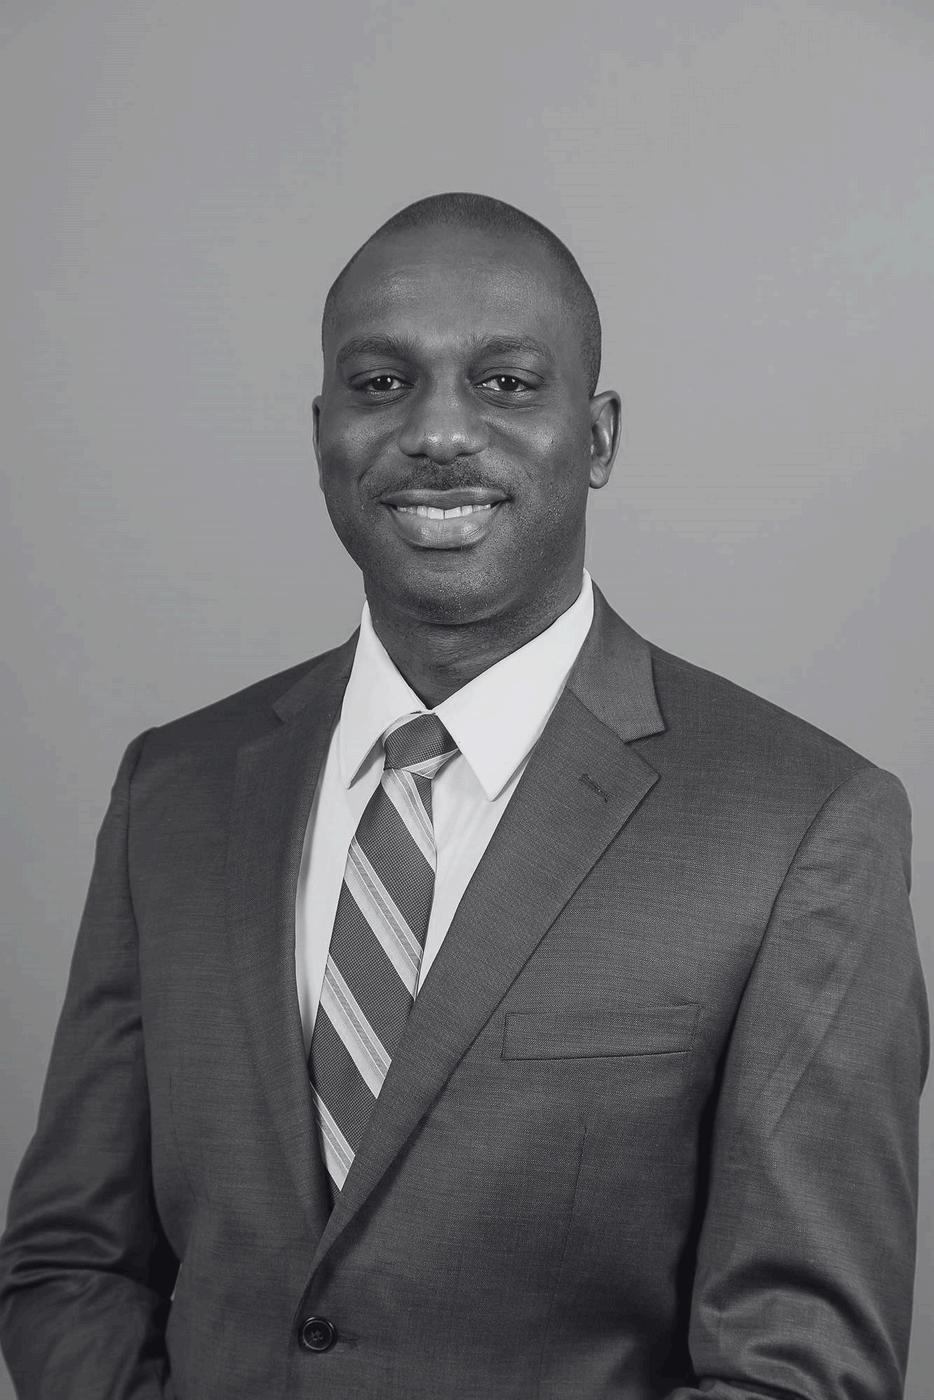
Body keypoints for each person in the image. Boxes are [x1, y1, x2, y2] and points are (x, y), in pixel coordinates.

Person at [0, 191, 927, 1400]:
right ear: (322, 432)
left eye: (505, 383)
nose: (438, 431)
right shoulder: (172, 791)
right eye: (381, 382)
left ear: (596, 437)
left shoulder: (801, 824)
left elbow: (798, 1365)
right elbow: (71, 1258)